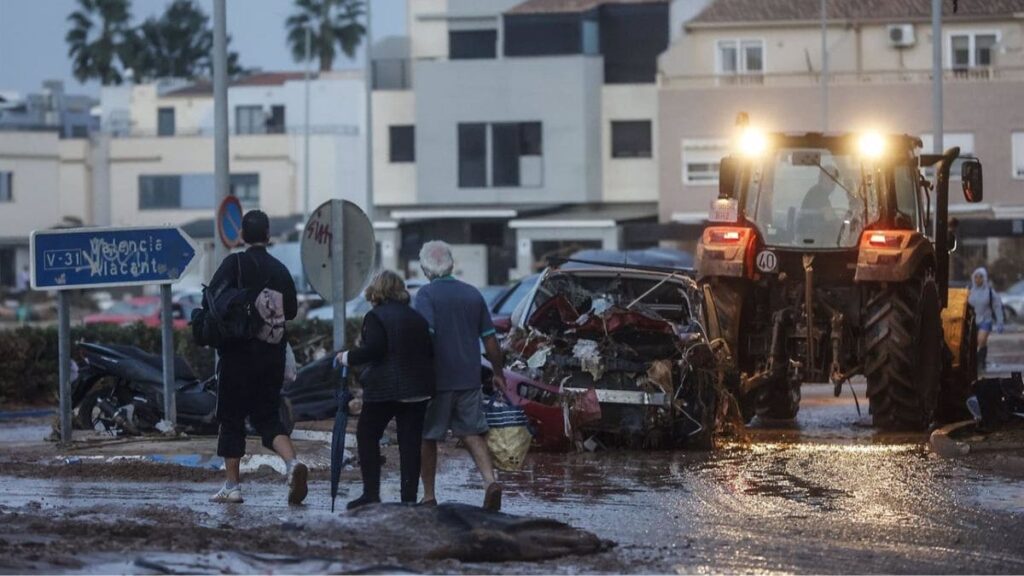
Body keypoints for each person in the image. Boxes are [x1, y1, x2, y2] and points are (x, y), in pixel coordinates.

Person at [208, 210, 306, 505]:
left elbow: (212, 300)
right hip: (271, 356)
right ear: (267, 235)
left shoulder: (233, 264)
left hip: (237, 356)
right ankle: (292, 464)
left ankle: (232, 486)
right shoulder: (279, 269)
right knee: (267, 418)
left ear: (242, 235)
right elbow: (290, 311)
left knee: (232, 419)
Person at [413, 240, 507, 511]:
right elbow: (490, 341)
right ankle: (490, 482)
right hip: (469, 378)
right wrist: (498, 373)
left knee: (428, 437)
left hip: (438, 381)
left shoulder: (426, 295)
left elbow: (425, 338)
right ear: (452, 264)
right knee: (472, 433)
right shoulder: (472, 294)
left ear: (425, 268)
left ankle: (429, 496)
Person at [335, 270, 435, 510]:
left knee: (367, 434)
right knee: (410, 443)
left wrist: (346, 357)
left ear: (377, 291)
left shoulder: (375, 316)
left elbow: (375, 349)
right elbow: (429, 351)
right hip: (418, 389)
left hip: (385, 389)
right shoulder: (417, 317)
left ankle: (371, 494)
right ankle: (408, 498)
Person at [968, 267, 1005, 370]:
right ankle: (975, 362)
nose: (978, 279)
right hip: (972, 321)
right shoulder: (969, 290)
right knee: (973, 342)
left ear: (984, 278)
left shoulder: (990, 292)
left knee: (981, 340)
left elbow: (997, 307)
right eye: (976, 277)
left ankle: (980, 362)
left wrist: (1000, 322)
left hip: (985, 320)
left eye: (980, 277)